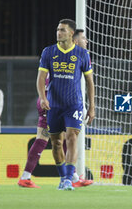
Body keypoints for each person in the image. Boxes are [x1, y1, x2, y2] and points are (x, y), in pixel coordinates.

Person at [17, 28, 93, 188]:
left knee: (66, 138)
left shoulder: (76, 56)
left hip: (59, 103)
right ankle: (26, 176)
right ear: (76, 40)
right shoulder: (57, 54)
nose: (86, 42)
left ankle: (71, 176)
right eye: (84, 39)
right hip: (50, 102)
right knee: (44, 138)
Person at [37, 19, 95, 191]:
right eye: (57, 29)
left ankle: (69, 179)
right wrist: (42, 98)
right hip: (53, 105)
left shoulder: (82, 54)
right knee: (55, 143)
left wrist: (91, 106)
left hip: (74, 105)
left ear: (71, 33)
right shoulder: (48, 52)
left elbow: (90, 82)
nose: (58, 32)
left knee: (72, 138)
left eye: (62, 30)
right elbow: (40, 78)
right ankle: (63, 177)